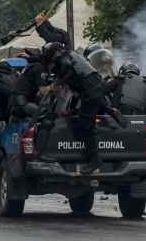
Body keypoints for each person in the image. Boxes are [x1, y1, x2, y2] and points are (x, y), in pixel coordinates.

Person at [41, 41, 105, 174]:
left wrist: (58, 83)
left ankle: (94, 161)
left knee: (85, 125)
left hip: (90, 91)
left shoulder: (64, 60)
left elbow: (68, 71)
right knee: (82, 115)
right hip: (92, 89)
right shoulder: (71, 54)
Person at [10, 49, 48, 121]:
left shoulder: (30, 66)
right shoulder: (37, 66)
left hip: (16, 105)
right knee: (46, 115)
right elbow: (43, 90)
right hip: (23, 105)